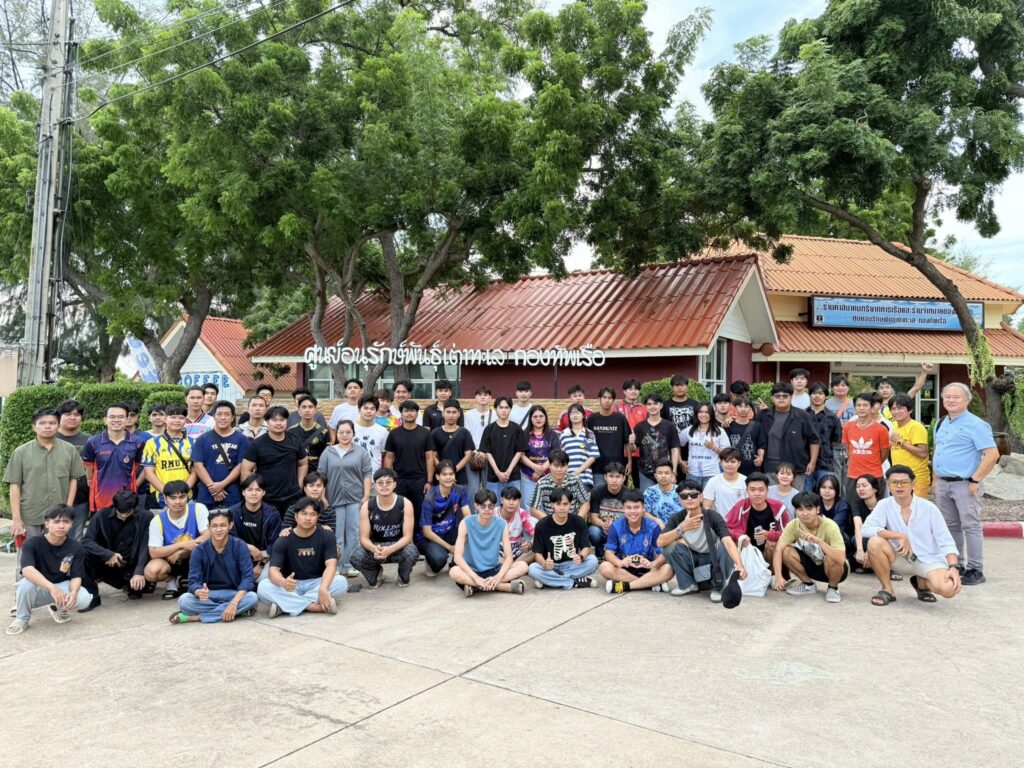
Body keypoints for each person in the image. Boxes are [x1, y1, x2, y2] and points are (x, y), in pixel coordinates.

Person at [5, 408, 86, 582]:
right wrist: (17, 518)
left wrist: (68, 509)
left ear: (58, 426)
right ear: (34, 427)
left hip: (58, 516)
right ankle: (22, 593)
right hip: (30, 514)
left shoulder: (69, 450)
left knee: (59, 556)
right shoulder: (21, 452)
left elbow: (74, 479)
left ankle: (55, 591)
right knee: (26, 556)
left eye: (52, 423)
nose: (47, 427)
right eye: (42, 423)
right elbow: (14, 485)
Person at [863, 465, 962, 606]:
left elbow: (946, 540)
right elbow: (866, 529)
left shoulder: (929, 508)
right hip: (901, 558)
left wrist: (953, 567)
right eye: (894, 482)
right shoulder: (884, 505)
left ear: (913, 484)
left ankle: (921, 583)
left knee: (948, 589)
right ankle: (887, 589)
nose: (899, 486)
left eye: (904, 482)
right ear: (888, 485)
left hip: (929, 560)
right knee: (874, 542)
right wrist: (898, 535)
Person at [932, 382, 999, 585]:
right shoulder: (941, 422)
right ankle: (957, 564)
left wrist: (975, 479)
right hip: (943, 483)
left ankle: (975, 569)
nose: (951, 400)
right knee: (950, 526)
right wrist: (935, 479)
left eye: (956, 397)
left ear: (967, 400)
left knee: (971, 526)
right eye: (947, 397)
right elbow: (938, 450)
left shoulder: (976, 425)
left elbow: (992, 454)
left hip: (965, 484)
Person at [6, 505, 93, 635]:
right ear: (47, 523)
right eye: (56, 522)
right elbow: (27, 570)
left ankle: (57, 607)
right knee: (26, 584)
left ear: (71, 524)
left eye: (66, 522)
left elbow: (76, 576)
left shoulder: (76, 547)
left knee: (84, 598)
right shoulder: (32, 543)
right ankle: (21, 618)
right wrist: (52, 588)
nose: (61, 526)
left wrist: (74, 592)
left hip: (59, 585)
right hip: (37, 588)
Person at [256, 497, 347, 617]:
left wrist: (323, 588)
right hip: (292, 585)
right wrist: (283, 582)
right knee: (263, 586)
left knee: (341, 582)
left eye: (312, 514)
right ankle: (314, 607)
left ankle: (285, 606)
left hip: (317, 582)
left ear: (318, 517)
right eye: (304, 514)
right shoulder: (284, 539)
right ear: (296, 516)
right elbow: (273, 571)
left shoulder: (327, 536)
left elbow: (331, 565)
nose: (308, 518)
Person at [657, 481, 747, 601]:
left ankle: (719, 587)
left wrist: (740, 565)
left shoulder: (712, 516)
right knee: (670, 546)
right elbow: (660, 542)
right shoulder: (677, 518)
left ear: (701, 497)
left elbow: (727, 540)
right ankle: (687, 584)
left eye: (693, 495)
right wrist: (682, 528)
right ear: (680, 500)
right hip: (693, 558)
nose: (689, 498)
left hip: (714, 557)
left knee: (723, 545)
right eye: (684, 496)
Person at [170, 509, 259, 624]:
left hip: (233, 593)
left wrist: (234, 603)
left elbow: (247, 578)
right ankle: (237, 611)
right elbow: (193, 580)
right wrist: (198, 592)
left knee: (252, 598)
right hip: (209, 595)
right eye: (214, 526)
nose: (218, 529)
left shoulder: (240, 546)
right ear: (209, 527)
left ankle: (196, 618)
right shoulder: (199, 550)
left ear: (230, 525)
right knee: (184, 601)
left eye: (223, 525)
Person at [769, 490, 849, 602]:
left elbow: (840, 559)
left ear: (817, 509)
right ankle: (808, 584)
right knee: (785, 550)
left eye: (809, 508)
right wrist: (778, 575)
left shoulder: (830, 526)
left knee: (832, 557)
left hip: (835, 570)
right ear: (795, 511)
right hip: (811, 564)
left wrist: (819, 542)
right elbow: (778, 549)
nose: (805, 513)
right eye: (800, 509)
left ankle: (833, 588)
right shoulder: (794, 525)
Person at [449, 489, 529, 596]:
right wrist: (476, 578)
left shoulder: (501, 524)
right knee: (454, 572)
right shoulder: (465, 523)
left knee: (523, 566)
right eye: (483, 506)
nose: (487, 509)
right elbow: (457, 557)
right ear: (476, 506)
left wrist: (498, 577)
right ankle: (502, 587)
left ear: (494, 506)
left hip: (494, 569)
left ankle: (477, 587)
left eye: (490, 506)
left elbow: (509, 557)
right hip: (472, 570)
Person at [81, 490, 152, 606]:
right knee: (83, 553)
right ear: (115, 506)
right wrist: (107, 554)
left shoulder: (145, 517)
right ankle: (92, 595)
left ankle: (131, 584)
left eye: (127, 512)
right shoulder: (101, 516)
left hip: (132, 567)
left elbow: (145, 546)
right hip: (108, 565)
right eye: (120, 512)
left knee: (136, 592)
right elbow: (87, 541)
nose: (123, 516)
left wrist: (139, 571)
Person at [318, 420, 371, 578]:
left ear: (353, 433)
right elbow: (321, 476)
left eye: (348, 432)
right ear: (336, 433)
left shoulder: (361, 452)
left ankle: (350, 565)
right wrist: (323, 497)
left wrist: (366, 496)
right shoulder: (328, 452)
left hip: (355, 498)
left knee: (354, 532)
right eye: (341, 432)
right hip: (333, 498)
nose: (344, 435)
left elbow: (367, 474)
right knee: (337, 534)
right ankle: (336, 566)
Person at [351, 469, 420, 588]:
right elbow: (363, 539)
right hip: (376, 548)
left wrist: (391, 549)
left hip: (398, 546)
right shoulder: (367, 506)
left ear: (394, 484)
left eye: (388, 482)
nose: (384, 486)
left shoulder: (405, 503)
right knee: (356, 557)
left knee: (412, 551)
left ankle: (403, 575)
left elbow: (408, 537)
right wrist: (374, 549)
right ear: (374, 486)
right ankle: (376, 573)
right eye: (380, 482)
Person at [143, 480, 210, 600]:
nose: (178, 502)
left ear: (188, 497)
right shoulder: (157, 520)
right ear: (165, 499)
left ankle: (191, 579)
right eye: (173, 498)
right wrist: (181, 546)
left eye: (182, 497)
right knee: (151, 572)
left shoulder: (198, 509)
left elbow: (208, 535)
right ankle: (170, 581)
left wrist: (181, 551)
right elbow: (154, 552)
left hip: (195, 557)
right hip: (171, 561)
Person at [600, 489, 674, 593]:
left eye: (636, 507)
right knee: (604, 567)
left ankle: (627, 586)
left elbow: (661, 555)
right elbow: (608, 554)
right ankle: (650, 584)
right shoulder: (616, 526)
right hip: (624, 570)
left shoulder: (653, 527)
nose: (632, 511)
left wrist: (651, 564)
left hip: (648, 569)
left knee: (669, 568)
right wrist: (621, 562)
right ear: (623, 509)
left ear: (643, 508)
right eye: (628, 508)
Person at [241, 405, 308, 516]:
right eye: (274, 420)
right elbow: (246, 470)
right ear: (267, 421)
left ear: (286, 421)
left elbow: (303, 464)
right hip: (266, 497)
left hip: (292, 497)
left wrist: (299, 485)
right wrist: (253, 492)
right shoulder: (258, 443)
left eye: (282, 420)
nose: (278, 423)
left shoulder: (295, 440)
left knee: (290, 525)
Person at [528, 488, 599, 589]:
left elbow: (585, 547)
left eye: (565, 504)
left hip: (572, 564)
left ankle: (550, 581)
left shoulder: (579, 522)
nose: (562, 508)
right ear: (552, 505)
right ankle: (574, 582)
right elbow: (537, 554)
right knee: (532, 568)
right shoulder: (542, 525)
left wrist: (581, 557)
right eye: (558, 504)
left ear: (570, 504)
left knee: (593, 561)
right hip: (551, 566)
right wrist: (544, 564)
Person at [81, 403, 143, 513]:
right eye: (112, 417)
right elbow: (89, 467)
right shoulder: (93, 442)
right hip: (100, 499)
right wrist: (90, 480)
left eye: (121, 417)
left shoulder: (138, 442)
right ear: (105, 420)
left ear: (127, 419)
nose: (116, 420)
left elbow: (137, 466)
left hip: (127, 498)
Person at [757, 381, 820, 490]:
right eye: (777, 396)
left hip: (796, 467)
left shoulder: (802, 416)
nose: (781, 399)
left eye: (785, 396)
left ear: (791, 397)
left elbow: (814, 440)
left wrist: (812, 462)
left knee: (795, 498)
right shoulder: (764, 416)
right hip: (770, 467)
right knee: (772, 498)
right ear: (772, 398)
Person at [191, 400, 249, 513]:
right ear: (213, 416)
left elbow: (241, 465)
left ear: (232, 417)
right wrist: (213, 488)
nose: (223, 418)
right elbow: (198, 465)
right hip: (206, 493)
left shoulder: (242, 439)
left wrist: (222, 485)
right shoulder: (203, 439)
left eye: (227, 414)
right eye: (219, 414)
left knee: (232, 522)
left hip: (232, 493)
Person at [417, 460, 471, 576]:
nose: (448, 477)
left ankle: (455, 563)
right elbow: (427, 532)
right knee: (439, 560)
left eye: (451, 474)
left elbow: (468, 517)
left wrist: (468, 535)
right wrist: (450, 547)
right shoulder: (430, 498)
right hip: (430, 537)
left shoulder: (460, 490)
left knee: (471, 535)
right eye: (444, 474)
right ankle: (431, 559)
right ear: (437, 477)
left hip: (449, 532)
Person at [723, 472, 789, 567]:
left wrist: (769, 535)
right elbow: (723, 528)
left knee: (771, 543)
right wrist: (740, 537)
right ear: (747, 491)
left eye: (761, 490)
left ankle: (773, 573)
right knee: (726, 541)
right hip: (748, 550)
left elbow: (788, 533)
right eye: (752, 490)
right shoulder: (741, 506)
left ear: (767, 491)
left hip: (770, 553)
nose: (757, 494)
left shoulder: (778, 507)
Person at [384, 400, 435, 517]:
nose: (409, 413)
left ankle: (417, 530)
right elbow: (389, 457)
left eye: (412, 411)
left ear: (417, 414)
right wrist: (389, 479)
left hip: (420, 479)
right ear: (401, 413)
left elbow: (429, 457)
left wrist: (429, 481)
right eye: (406, 411)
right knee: (399, 511)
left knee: (419, 511)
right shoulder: (394, 433)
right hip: (399, 479)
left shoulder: (425, 433)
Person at [140, 404, 196, 509]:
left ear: (185, 420)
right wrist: (167, 492)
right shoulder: (152, 443)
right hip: (160, 496)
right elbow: (148, 473)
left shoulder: (193, 442)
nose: (177, 420)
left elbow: (195, 471)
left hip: (186, 496)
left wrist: (183, 492)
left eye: (181, 418)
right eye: (173, 417)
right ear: (165, 419)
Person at [228, 474, 281, 580]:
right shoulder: (233, 512)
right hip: (238, 552)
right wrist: (247, 546)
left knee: (264, 582)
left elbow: (274, 544)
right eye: (250, 489)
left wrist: (260, 565)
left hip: (264, 555)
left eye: (258, 490)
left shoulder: (272, 513)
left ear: (263, 492)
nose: (254, 493)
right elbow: (228, 539)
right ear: (243, 492)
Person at [842, 392, 890, 500]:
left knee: (875, 507)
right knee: (852, 507)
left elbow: (884, 453)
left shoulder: (881, 429)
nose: (861, 408)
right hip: (853, 475)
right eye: (858, 405)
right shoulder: (847, 427)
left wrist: (873, 463)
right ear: (854, 408)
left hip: (874, 475)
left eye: (865, 405)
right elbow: (847, 448)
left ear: (871, 408)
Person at [55, 399, 91, 540]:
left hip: (81, 499)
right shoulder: (50, 438)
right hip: (52, 498)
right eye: (68, 414)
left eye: (77, 414)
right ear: (59, 417)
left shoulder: (90, 441)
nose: (73, 417)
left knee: (75, 540)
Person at [480, 396, 529, 496]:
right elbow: (488, 452)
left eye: (507, 407)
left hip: (513, 476)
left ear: (510, 409)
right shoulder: (489, 429)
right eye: (501, 407)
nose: (504, 410)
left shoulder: (517, 429)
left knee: (513, 503)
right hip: (493, 476)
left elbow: (519, 451)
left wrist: (508, 471)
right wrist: (497, 472)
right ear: (495, 409)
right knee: (493, 504)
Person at [634, 393, 681, 490]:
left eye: (655, 403)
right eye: (649, 404)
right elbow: (633, 449)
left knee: (667, 497)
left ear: (661, 405)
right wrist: (631, 443)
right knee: (647, 497)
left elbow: (675, 450)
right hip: (646, 472)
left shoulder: (670, 426)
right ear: (646, 406)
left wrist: (674, 472)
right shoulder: (639, 427)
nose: (652, 406)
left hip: (666, 471)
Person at [586, 387, 631, 488]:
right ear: (599, 399)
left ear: (613, 400)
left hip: (617, 467)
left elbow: (627, 442)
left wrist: (630, 462)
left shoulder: (620, 418)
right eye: (604, 397)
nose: (607, 400)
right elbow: (586, 443)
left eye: (610, 398)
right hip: (597, 467)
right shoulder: (591, 419)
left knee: (618, 496)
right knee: (600, 494)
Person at [888, 395, 931, 497]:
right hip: (897, 477)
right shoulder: (892, 426)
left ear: (910, 410)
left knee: (915, 507)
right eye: (893, 409)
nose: (896, 412)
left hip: (915, 478)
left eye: (900, 408)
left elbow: (923, 453)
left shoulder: (916, 427)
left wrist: (900, 442)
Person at [528, 449, 590, 519]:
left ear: (567, 466)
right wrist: (550, 522)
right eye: (556, 466)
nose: (559, 469)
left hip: (573, 520)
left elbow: (585, 503)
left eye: (563, 466)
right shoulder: (541, 483)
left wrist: (578, 520)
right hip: (550, 521)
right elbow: (533, 509)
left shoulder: (575, 480)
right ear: (550, 466)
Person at [805, 382, 843, 491]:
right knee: (806, 495)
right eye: (814, 393)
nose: (817, 396)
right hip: (805, 463)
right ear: (810, 395)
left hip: (826, 463)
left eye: (820, 393)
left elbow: (836, 440)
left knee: (826, 494)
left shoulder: (832, 417)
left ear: (826, 396)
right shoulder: (802, 414)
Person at [520, 405, 561, 505]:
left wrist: (541, 469)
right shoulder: (524, 434)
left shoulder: (552, 434)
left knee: (548, 505)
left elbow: (555, 454)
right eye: (535, 416)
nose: (538, 419)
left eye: (541, 416)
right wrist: (534, 467)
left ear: (545, 417)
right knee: (529, 505)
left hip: (549, 476)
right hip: (527, 476)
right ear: (530, 418)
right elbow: (521, 454)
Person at [684, 403, 730, 490]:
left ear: (711, 414)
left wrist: (714, 447)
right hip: (692, 473)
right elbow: (676, 444)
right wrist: (680, 461)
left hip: (712, 474)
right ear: (696, 414)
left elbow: (728, 453)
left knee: (709, 498)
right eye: (701, 412)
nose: (703, 415)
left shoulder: (719, 431)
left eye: (707, 412)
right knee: (692, 497)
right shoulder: (689, 430)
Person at [430, 400, 474, 486]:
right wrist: (444, 472)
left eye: (454, 412)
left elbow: (468, 455)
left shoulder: (464, 432)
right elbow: (433, 455)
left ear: (459, 414)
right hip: (441, 477)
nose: (451, 415)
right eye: (448, 412)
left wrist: (453, 471)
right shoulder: (435, 433)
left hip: (460, 478)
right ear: (443, 413)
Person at [464, 386, 496, 507]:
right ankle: (473, 513)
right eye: (480, 394)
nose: (482, 397)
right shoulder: (468, 415)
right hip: (472, 455)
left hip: (489, 455)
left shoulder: (495, 414)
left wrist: (485, 452)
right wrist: (475, 452)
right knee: (473, 489)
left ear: (490, 397)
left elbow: (495, 437)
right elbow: (467, 435)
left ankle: (490, 512)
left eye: (485, 394)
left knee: (489, 488)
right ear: (475, 397)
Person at [588, 462, 629, 554]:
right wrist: (605, 525)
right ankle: (600, 553)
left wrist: (615, 527)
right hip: (602, 527)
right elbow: (593, 518)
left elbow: (632, 518)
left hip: (621, 529)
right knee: (593, 531)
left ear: (623, 478)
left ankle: (619, 553)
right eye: (611, 476)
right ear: (605, 477)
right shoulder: (597, 491)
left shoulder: (628, 493)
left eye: (618, 477)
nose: (614, 480)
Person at [614, 379, 648, 487]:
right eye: (630, 389)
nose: (633, 391)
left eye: (636, 389)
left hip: (640, 452)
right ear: (624, 391)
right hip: (621, 452)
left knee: (639, 485)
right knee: (620, 484)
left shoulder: (645, 408)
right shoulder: (616, 408)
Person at [560, 403, 599, 493]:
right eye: (572, 413)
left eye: (577, 412)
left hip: (585, 479)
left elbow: (592, 457)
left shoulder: (589, 433)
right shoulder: (564, 434)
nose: (575, 415)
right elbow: (561, 457)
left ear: (583, 415)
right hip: (567, 479)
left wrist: (577, 472)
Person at [850, 474, 884, 572]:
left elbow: (885, 530)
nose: (860, 489)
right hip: (864, 538)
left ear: (875, 489)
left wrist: (870, 552)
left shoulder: (883, 504)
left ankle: (888, 568)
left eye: (864, 486)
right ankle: (871, 565)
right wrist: (860, 550)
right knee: (855, 540)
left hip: (882, 538)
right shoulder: (856, 503)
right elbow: (858, 526)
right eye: (858, 486)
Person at [725, 397, 766, 477]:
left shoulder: (757, 426)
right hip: (733, 467)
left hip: (752, 467)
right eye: (740, 406)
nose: (743, 409)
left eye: (746, 406)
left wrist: (760, 457)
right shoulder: (728, 425)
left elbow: (761, 445)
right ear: (735, 408)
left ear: (750, 408)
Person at [289, 395, 330, 474]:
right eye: (304, 407)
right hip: (296, 472)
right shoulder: (291, 432)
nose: (307, 410)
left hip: (317, 473)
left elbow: (326, 456)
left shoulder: (323, 432)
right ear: (299, 411)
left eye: (310, 407)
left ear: (315, 410)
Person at [702, 448, 747, 518]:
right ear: (721, 463)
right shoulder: (713, 481)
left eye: (733, 462)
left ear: (739, 463)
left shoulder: (746, 481)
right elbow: (706, 506)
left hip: (741, 522)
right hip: (719, 522)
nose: (729, 464)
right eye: (726, 461)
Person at [497, 485, 535, 560]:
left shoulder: (522, 513)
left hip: (517, 549)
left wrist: (530, 544)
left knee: (535, 551)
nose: (511, 503)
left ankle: (509, 565)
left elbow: (536, 535)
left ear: (519, 501)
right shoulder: (493, 514)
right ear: (501, 500)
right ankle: (513, 566)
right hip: (497, 549)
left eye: (514, 499)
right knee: (488, 552)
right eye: (508, 499)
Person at [354, 395, 389, 474]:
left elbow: (383, 453)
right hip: (353, 475)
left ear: (376, 411)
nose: (369, 411)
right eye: (365, 408)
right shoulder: (351, 429)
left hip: (374, 476)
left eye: (372, 409)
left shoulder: (383, 431)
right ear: (359, 410)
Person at [642, 460, 685, 526]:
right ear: (655, 475)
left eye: (667, 473)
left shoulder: (681, 491)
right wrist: (655, 520)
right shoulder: (649, 492)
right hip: (657, 527)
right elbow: (644, 512)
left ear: (672, 475)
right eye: (660, 473)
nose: (663, 476)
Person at [662, 374, 700, 445]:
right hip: (671, 443)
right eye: (676, 385)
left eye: (682, 385)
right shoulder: (665, 405)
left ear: (687, 387)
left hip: (692, 444)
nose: (679, 388)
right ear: (672, 387)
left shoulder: (695, 404)